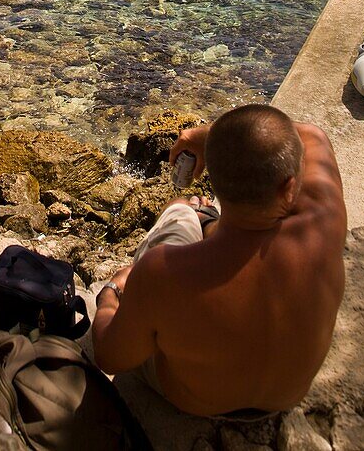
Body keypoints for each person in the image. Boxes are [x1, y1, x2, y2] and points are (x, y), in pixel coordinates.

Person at [92, 105, 346, 418]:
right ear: (290, 185)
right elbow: (312, 134)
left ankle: (194, 215)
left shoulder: (162, 272)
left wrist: (110, 294)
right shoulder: (326, 220)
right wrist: (206, 136)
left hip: (198, 402)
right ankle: (209, 222)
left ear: (215, 181)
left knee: (178, 212)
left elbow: (110, 357)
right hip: (284, 398)